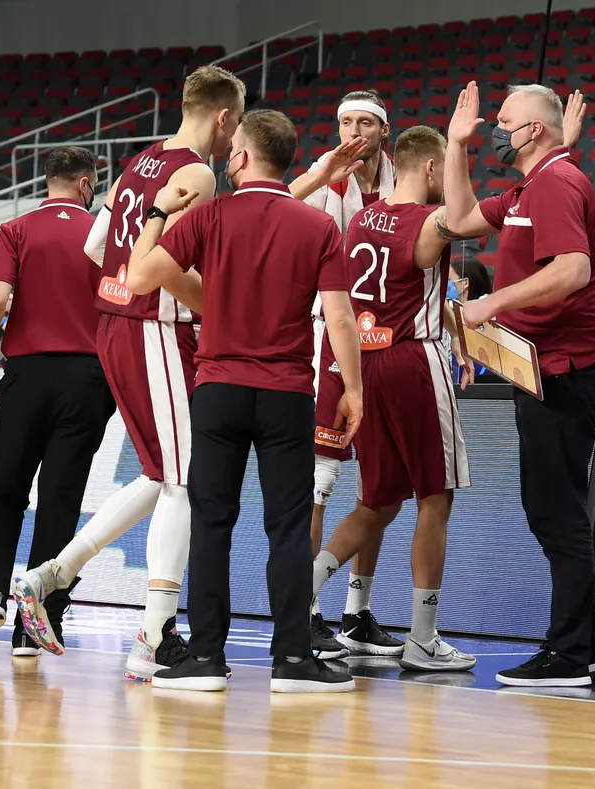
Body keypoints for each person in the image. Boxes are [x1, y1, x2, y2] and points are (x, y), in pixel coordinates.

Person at [11, 65, 244, 679]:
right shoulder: (197, 172)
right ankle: (152, 635)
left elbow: (96, 249)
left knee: (163, 472)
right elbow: (173, 268)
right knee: (184, 479)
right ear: (224, 117)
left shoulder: (136, 162)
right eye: (236, 122)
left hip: (116, 323)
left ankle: (51, 575)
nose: (234, 136)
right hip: (155, 329)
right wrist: (221, 306)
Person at [123, 109, 364, 693]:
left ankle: (205, 658)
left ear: (240, 158)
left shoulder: (207, 215)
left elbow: (137, 278)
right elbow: (338, 315)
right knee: (287, 527)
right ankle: (293, 661)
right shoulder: (318, 227)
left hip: (219, 391)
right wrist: (354, 387)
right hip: (286, 393)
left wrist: (157, 211)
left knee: (212, 523)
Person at [437, 81, 595, 687]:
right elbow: (460, 218)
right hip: (542, 369)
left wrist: (492, 303)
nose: (496, 128)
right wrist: (457, 145)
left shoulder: (558, 183)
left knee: (557, 511)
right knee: (549, 507)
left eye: (504, 121)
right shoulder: (526, 186)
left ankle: (570, 653)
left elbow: (574, 269)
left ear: (533, 130)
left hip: (570, 369)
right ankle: (583, 644)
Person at [308, 125, 477, 672]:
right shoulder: (424, 222)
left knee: (377, 501)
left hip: (367, 359)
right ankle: (423, 638)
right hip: (414, 359)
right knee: (436, 496)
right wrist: (459, 148)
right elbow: (467, 213)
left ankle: (299, 596)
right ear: (430, 169)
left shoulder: (361, 218)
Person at [0, 146, 117, 657]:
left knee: (6, 492)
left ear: (48, 181)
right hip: (87, 376)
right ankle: (39, 620)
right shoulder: (106, 233)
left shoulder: (17, 228)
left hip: (26, 375)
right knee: (60, 498)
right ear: (87, 184)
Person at [289, 89, 402, 659]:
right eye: (343, 121)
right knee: (320, 483)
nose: (351, 130)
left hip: (390, 342)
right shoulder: (327, 181)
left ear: (384, 130)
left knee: (378, 485)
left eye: (363, 122)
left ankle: (357, 611)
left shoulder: (404, 183)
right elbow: (281, 217)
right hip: (331, 338)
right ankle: (306, 610)